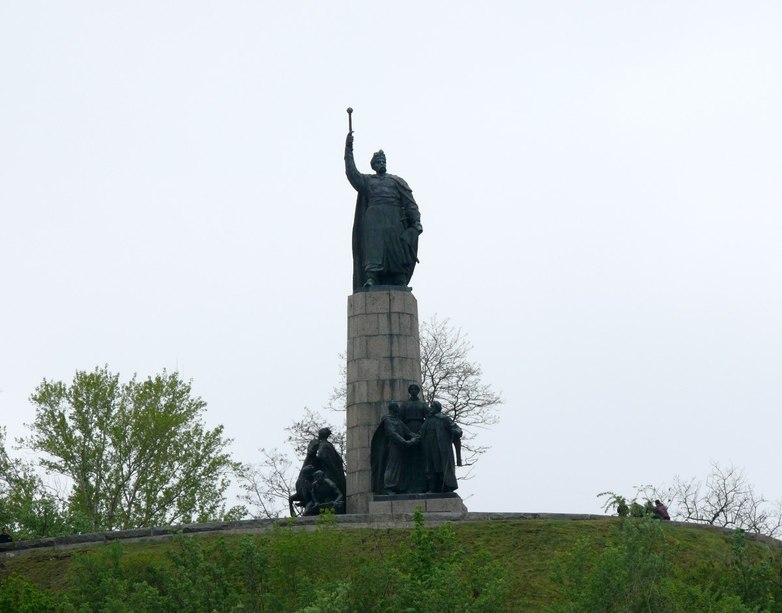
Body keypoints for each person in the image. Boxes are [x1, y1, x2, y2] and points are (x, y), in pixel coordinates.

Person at [345, 130, 423, 291]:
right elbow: (352, 174)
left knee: (396, 250)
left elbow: (410, 203)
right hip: (373, 220)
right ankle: (371, 278)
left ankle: (399, 278)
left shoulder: (396, 181)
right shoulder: (367, 181)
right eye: (378, 162)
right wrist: (348, 149)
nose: (381, 164)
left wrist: (416, 222)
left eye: (383, 161)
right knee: (374, 249)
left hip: (395, 219)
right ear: (373, 165)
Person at [370, 402, 420, 494]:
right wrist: (404, 442)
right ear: (392, 409)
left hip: (402, 447)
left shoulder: (398, 421)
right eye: (397, 407)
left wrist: (416, 436)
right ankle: (389, 487)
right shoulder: (388, 420)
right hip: (393, 446)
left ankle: (400, 487)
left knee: (402, 466)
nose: (399, 409)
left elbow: (407, 432)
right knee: (392, 466)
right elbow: (392, 433)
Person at [420, 401, 462, 493]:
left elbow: (456, 428)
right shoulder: (427, 421)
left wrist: (457, 431)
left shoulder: (443, 419)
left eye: (432, 407)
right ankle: (432, 487)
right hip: (428, 447)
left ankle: (447, 486)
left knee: (441, 467)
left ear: (436, 408)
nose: (430, 408)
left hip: (440, 447)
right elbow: (421, 433)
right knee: (430, 468)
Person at [400, 383, 429, 493]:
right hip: (408, 430)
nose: (413, 390)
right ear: (409, 391)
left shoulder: (423, 404)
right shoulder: (405, 405)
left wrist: (423, 431)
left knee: (421, 459)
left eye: (415, 389)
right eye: (411, 389)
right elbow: (400, 420)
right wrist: (407, 433)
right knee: (409, 460)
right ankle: (409, 486)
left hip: (421, 430)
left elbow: (429, 417)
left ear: (418, 391)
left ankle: (423, 486)